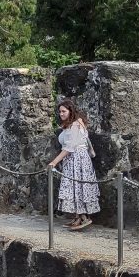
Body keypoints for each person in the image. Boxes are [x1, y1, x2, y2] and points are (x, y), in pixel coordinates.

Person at [48, 98, 100, 230]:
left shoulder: (76, 125)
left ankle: (83, 217)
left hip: (78, 159)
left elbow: (70, 147)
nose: (61, 114)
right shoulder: (70, 125)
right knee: (74, 187)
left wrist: (54, 162)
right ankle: (78, 216)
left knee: (78, 186)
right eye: (60, 111)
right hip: (72, 159)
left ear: (70, 111)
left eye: (64, 111)